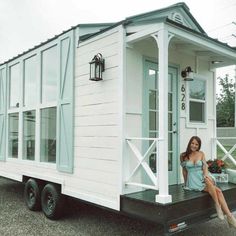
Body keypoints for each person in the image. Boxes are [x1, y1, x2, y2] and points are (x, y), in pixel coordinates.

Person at [180, 136, 236, 228]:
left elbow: (205, 167)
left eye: (196, 144)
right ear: (190, 143)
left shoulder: (201, 153)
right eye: (193, 143)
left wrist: (206, 175)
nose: (194, 145)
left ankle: (222, 210)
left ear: (199, 146)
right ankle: (228, 216)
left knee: (210, 182)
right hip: (193, 180)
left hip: (203, 176)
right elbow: (184, 171)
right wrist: (186, 184)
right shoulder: (183, 156)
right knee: (218, 191)